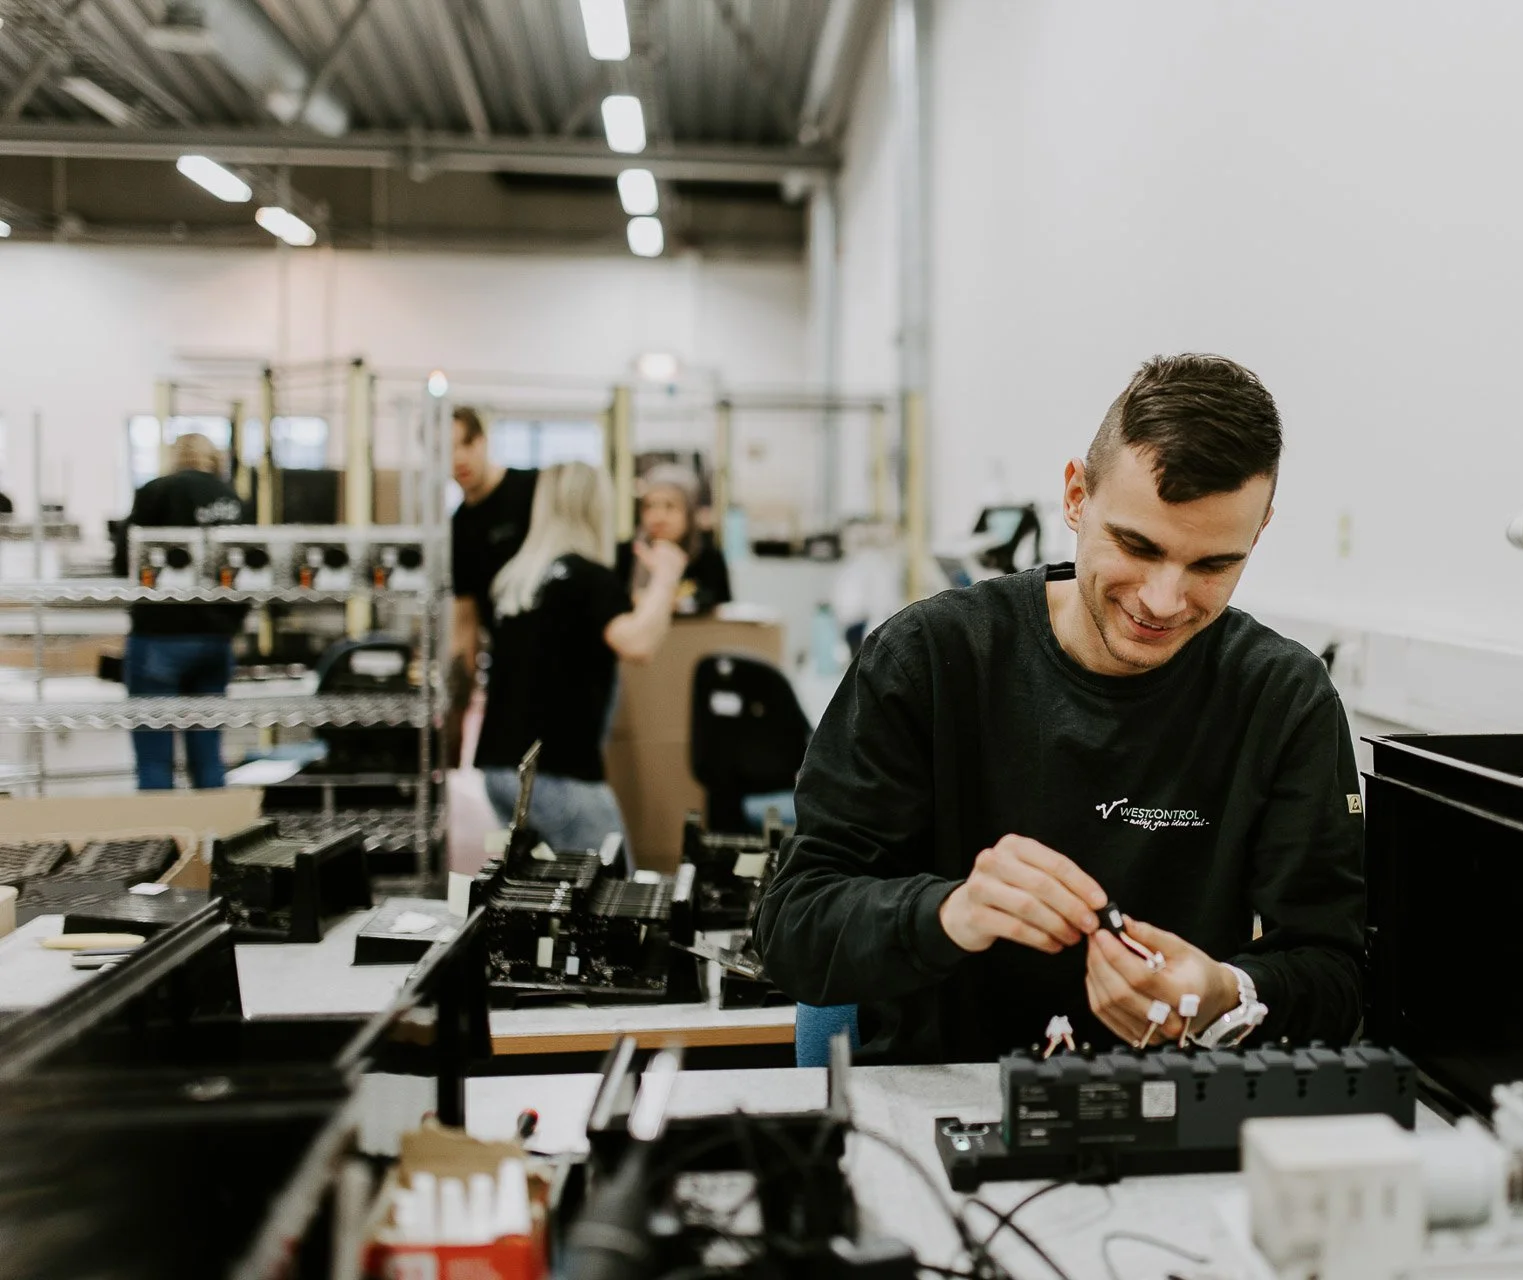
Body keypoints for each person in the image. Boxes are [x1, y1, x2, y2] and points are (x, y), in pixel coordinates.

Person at [754, 354, 1366, 1063]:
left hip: (1168, 1101)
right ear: (1076, 497)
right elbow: (796, 926)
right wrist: (950, 913)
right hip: (942, 1094)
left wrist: (1229, 993)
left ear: (1255, 537)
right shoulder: (928, 659)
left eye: (1211, 565)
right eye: (1137, 546)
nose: (1163, 601)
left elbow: (1337, 972)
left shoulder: (1282, 699)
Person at [472, 462, 691, 859]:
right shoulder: (587, 577)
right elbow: (638, 643)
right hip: (558, 773)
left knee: (537, 887)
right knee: (612, 887)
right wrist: (666, 577)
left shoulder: (517, 580)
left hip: (501, 769)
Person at [111, 433, 249, 789]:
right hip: (215, 638)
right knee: (208, 754)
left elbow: (125, 560)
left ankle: (163, 826)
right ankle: (214, 824)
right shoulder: (234, 500)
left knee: (155, 758)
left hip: (161, 635)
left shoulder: (156, 491)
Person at [449, 406, 537, 762]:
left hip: (554, 660)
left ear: (483, 441)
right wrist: (457, 711)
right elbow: (465, 622)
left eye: (465, 443)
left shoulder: (531, 489)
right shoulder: (460, 525)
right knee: (497, 768)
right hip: (506, 665)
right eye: (445, 450)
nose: (458, 458)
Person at [632, 464, 731, 614]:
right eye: (649, 506)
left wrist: (681, 602)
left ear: (688, 513)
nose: (658, 517)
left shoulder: (708, 557)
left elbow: (719, 603)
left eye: (670, 506)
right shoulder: (629, 554)